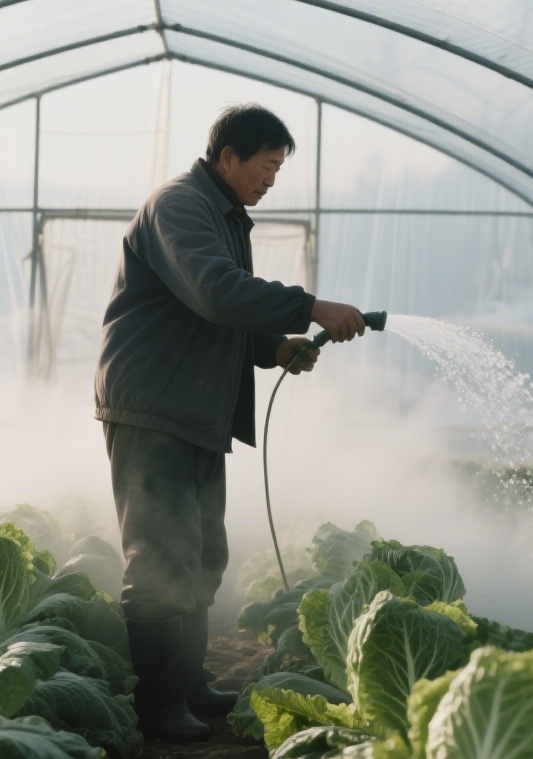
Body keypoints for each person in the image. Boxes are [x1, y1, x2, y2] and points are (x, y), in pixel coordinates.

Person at [94, 104, 367, 740]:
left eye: (278, 169)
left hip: (191, 407)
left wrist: (273, 347)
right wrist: (309, 306)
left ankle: (185, 686)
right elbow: (216, 291)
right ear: (227, 157)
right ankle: (159, 710)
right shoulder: (180, 206)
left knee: (201, 554)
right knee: (160, 558)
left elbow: (214, 317)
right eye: (266, 166)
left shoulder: (223, 215)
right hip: (153, 407)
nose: (271, 180)